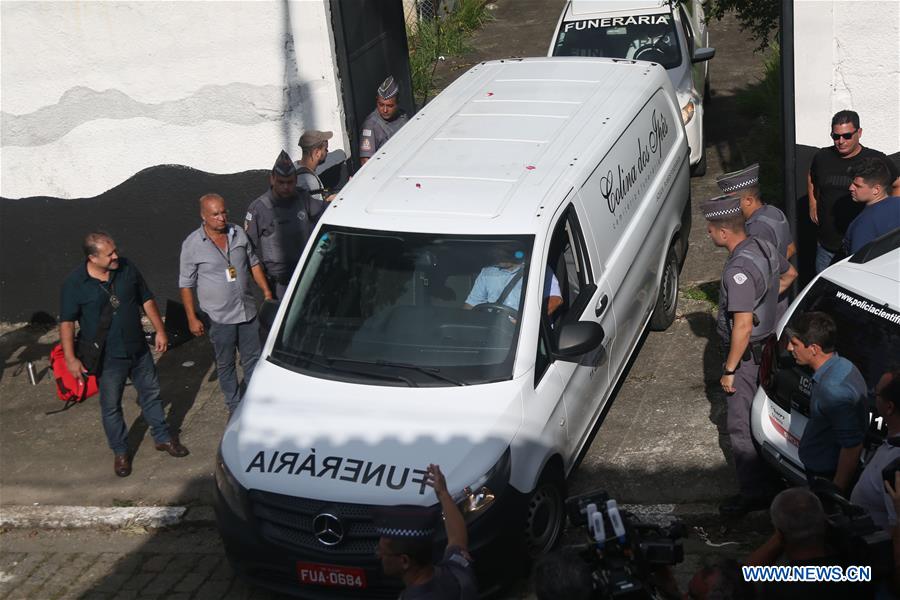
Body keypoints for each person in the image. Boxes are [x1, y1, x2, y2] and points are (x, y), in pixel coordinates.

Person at [60, 232, 188, 477]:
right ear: (92, 257)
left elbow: (146, 299)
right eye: (109, 255)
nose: (116, 256)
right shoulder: (75, 284)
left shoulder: (127, 268)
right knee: (111, 406)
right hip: (108, 358)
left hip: (138, 349)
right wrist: (70, 358)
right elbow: (66, 322)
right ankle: (120, 452)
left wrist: (160, 331)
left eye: (115, 251)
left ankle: (162, 437)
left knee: (151, 394)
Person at [703, 194, 797, 516]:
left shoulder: (737, 270)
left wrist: (729, 370)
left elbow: (741, 326)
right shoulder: (764, 247)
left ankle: (754, 492)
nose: (708, 235)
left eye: (710, 230)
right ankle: (771, 478)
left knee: (740, 425)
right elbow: (789, 275)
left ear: (724, 233)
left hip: (746, 358)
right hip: (767, 347)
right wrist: (765, 301)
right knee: (765, 416)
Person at [180, 193, 272, 417]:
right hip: (219, 318)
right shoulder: (192, 244)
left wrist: (266, 292)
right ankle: (234, 406)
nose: (222, 217)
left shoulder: (238, 232)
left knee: (252, 359)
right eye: (215, 214)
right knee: (226, 363)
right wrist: (191, 317)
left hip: (247, 311)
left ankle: (252, 403)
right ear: (203, 216)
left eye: (224, 212)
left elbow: (254, 263)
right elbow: (186, 284)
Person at [784, 311, 868, 493]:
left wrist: (835, 490)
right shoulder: (844, 364)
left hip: (825, 475)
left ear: (813, 348)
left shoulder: (833, 390)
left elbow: (852, 447)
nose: (790, 348)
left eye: (795, 343)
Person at [807, 110, 900, 273]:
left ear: (859, 133)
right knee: (825, 295)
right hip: (826, 246)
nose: (841, 141)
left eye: (847, 136)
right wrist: (812, 204)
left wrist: (888, 212)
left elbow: (898, 183)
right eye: (836, 136)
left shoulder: (875, 159)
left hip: (860, 248)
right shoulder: (822, 157)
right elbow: (811, 175)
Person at [746, 487, 874, 600]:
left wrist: (781, 536)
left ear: (780, 535)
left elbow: (744, 577)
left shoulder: (777, 585)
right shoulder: (857, 570)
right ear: (825, 524)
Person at [374, 464, 477, 599]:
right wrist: (443, 494)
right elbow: (457, 538)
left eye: (383, 552)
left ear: (404, 561)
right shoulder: (458, 572)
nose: (379, 556)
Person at [717, 162, 795, 319]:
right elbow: (791, 248)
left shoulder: (755, 230)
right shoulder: (774, 213)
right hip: (780, 305)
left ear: (748, 200)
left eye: (732, 200)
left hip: (762, 315)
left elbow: (757, 273)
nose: (727, 205)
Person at [244, 150, 325, 300]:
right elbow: (249, 251)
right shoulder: (259, 209)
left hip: (307, 277)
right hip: (280, 285)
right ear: (272, 180)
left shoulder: (302, 198)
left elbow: (324, 212)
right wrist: (265, 288)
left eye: (290, 182)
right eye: (281, 182)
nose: (286, 187)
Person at [850, 368, 900, 530]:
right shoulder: (891, 443)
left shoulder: (895, 464)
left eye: (877, 394)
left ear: (890, 407)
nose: (872, 396)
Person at [463, 245, 563, 316]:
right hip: (495, 330)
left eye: (502, 251)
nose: (497, 255)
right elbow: (472, 304)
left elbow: (555, 300)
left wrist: (525, 321)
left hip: (529, 331)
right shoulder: (487, 272)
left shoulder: (537, 269)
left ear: (515, 253)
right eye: (496, 251)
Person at [843, 156, 900, 254]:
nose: (850, 188)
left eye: (857, 186)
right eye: (852, 183)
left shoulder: (863, 224)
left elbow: (857, 265)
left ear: (876, 189)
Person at [359, 75, 409, 166]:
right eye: (381, 105)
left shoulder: (402, 117)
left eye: (390, 106)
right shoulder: (371, 125)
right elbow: (365, 162)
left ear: (398, 104)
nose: (385, 110)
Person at [296, 129, 337, 204]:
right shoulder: (309, 181)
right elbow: (316, 211)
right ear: (317, 153)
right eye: (325, 149)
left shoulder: (295, 166)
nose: (327, 152)